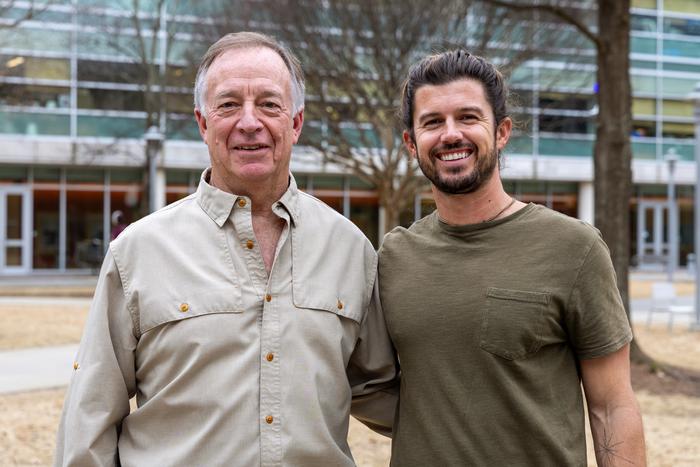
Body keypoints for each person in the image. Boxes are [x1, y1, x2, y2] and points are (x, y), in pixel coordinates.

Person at [55, 32, 397, 466]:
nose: (249, 122)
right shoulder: (138, 252)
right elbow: (90, 416)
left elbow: (380, 390)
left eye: (270, 104)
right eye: (229, 104)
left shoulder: (351, 250)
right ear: (203, 122)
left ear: (295, 123)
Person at [378, 50, 646, 467]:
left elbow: (612, 406)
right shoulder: (393, 257)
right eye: (432, 122)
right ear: (412, 142)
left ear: (501, 132)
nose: (450, 135)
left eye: (468, 117)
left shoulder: (574, 247)